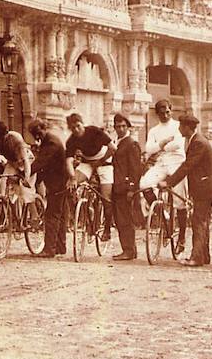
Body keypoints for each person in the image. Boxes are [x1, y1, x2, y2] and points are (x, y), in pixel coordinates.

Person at [160, 114, 212, 267]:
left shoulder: (198, 143)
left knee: (198, 220)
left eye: (181, 126)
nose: (179, 128)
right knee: (203, 221)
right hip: (207, 186)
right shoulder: (195, 140)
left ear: (188, 128)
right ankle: (204, 256)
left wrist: (169, 182)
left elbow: (187, 166)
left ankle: (196, 258)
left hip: (206, 187)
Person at [139, 100, 188, 255]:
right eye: (161, 113)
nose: (165, 115)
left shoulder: (177, 126)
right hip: (161, 163)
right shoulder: (154, 130)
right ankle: (163, 215)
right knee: (144, 184)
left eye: (167, 112)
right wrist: (164, 143)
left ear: (171, 110)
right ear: (157, 113)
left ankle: (181, 238)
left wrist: (159, 146)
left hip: (177, 162)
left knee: (180, 201)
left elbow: (178, 144)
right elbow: (148, 149)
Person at [65, 113, 115, 241]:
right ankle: (86, 217)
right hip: (87, 162)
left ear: (82, 123)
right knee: (69, 187)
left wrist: (101, 161)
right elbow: (69, 161)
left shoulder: (93, 131)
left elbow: (113, 148)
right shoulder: (71, 140)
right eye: (73, 128)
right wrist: (72, 177)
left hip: (104, 161)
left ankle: (107, 229)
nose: (76, 130)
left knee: (106, 197)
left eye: (78, 126)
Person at [28, 119, 73, 258]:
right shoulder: (49, 140)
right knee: (60, 215)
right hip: (58, 182)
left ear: (44, 128)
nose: (37, 137)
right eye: (34, 134)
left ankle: (49, 249)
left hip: (57, 183)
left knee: (52, 215)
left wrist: (26, 173)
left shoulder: (51, 142)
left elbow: (42, 162)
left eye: (38, 132)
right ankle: (60, 246)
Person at [110, 113, 142, 261]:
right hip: (117, 186)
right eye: (117, 126)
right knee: (120, 218)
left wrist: (131, 188)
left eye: (123, 126)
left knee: (125, 219)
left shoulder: (131, 144)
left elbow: (136, 169)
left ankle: (128, 250)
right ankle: (129, 250)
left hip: (125, 188)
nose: (120, 129)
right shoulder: (116, 142)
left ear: (128, 127)